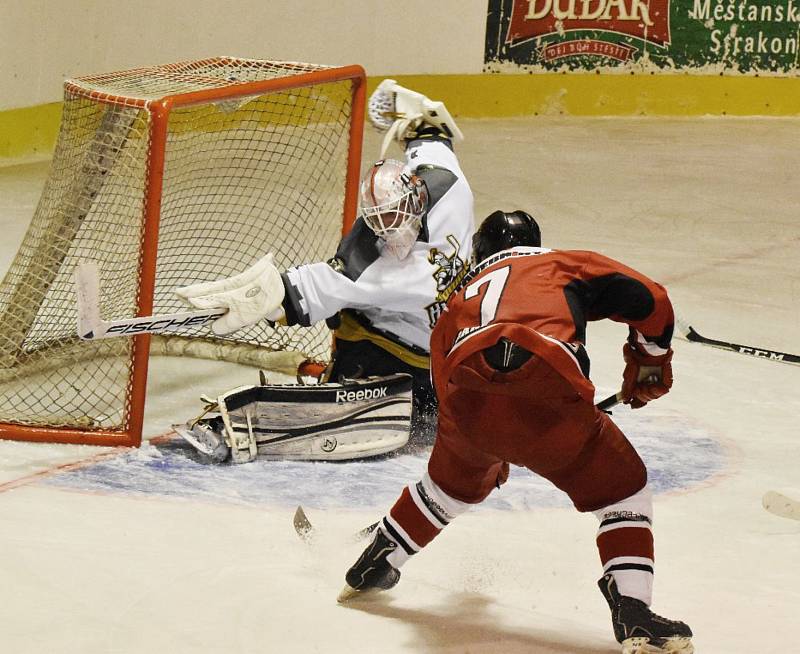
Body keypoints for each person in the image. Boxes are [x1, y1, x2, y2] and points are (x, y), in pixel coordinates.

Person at [337, 210, 694, 654]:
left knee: (448, 489)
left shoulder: (458, 300)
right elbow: (652, 299)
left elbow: (444, 384)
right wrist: (650, 361)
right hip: (545, 383)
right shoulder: (563, 265)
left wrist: (486, 451)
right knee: (623, 493)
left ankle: (382, 555)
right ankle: (634, 612)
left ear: (481, 255)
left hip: (467, 399)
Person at [176, 80, 474, 443]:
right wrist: (269, 295)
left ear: (414, 197)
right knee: (353, 335)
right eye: (380, 225)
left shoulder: (448, 196)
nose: (391, 236)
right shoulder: (378, 253)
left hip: (435, 359)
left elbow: (433, 133)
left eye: (396, 222)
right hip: (407, 347)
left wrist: (409, 107)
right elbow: (432, 135)